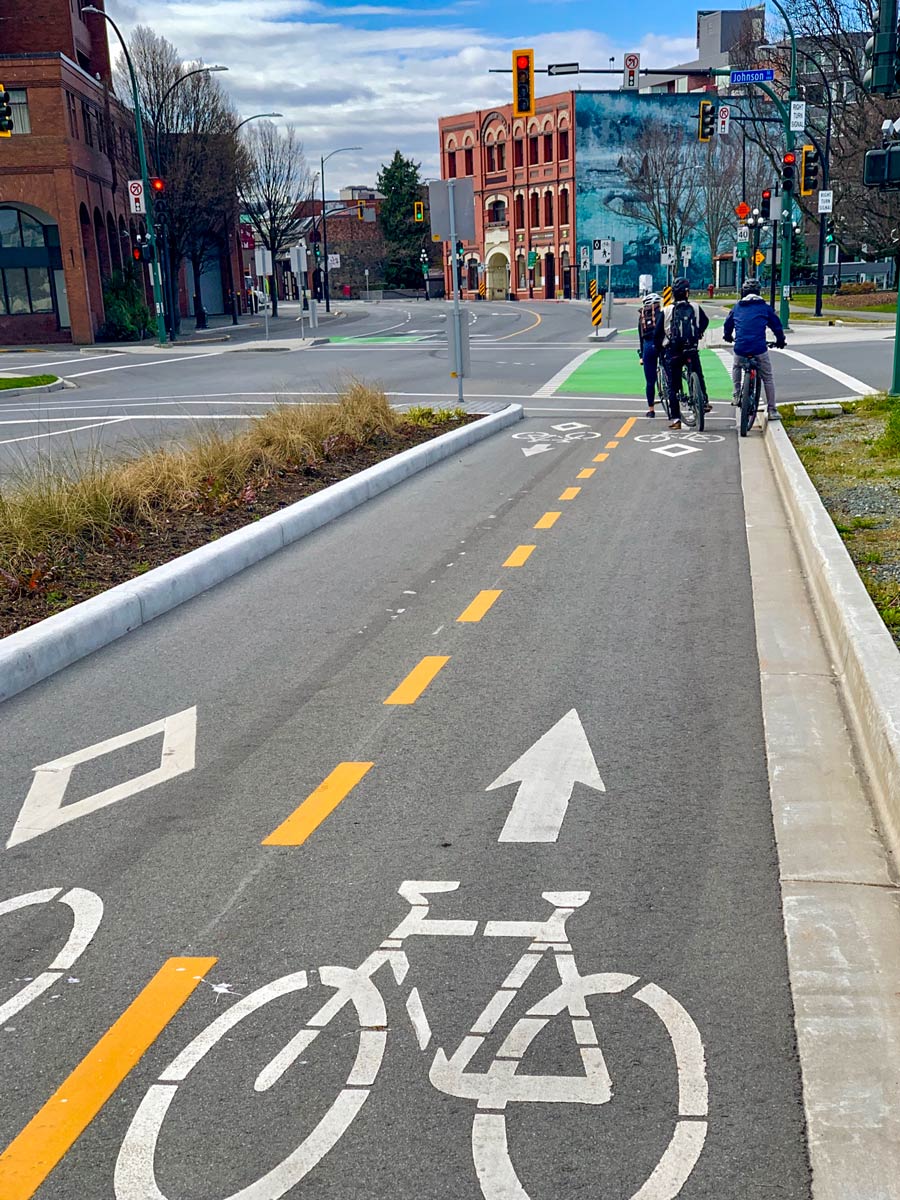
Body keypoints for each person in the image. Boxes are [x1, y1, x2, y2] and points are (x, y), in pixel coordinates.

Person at [723, 278, 786, 420]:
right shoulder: (765, 307)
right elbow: (777, 326)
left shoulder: (737, 307)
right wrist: (780, 341)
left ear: (743, 292)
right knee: (768, 377)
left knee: (736, 366)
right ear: (759, 292)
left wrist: (727, 336)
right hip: (759, 348)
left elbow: (728, 324)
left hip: (741, 347)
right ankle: (772, 409)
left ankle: (736, 393)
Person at [654, 278, 710, 430]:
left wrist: (660, 348)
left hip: (674, 350)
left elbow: (657, 333)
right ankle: (703, 401)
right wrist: (698, 333)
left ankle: (676, 420)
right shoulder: (695, 307)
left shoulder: (666, 310)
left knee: (673, 386)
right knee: (698, 373)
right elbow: (705, 321)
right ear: (687, 292)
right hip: (691, 348)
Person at [637, 293, 662, 417]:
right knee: (670, 373)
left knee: (650, 381)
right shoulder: (661, 314)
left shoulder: (641, 317)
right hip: (661, 345)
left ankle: (651, 410)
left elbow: (641, 338)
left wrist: (641, 356)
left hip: (647, 347)